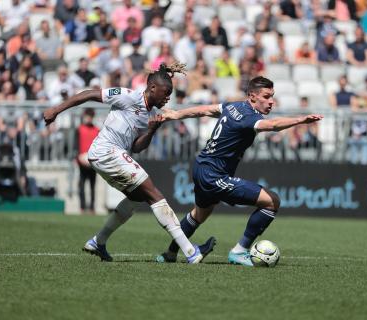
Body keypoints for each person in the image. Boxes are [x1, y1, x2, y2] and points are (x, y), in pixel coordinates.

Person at [42, 62, 215, 263]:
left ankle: (99, 241)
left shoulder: (151, 115)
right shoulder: (128, 96)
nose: (168, 98)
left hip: (112, 155)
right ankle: (190, 252)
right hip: (105, 150)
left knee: (136, 198)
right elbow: (89, 93)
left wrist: (151, 130)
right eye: (166, 92)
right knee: (154, 193)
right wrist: (56, 109)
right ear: (152, 88)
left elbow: (137, 147)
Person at [156, 76, 323, 266]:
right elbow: (274, 125)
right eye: (266, 97)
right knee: (272, 201)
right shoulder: (249, 118)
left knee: (199, 214)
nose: (271, 101)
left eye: (272, 96)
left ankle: (170, 253)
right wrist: (300, 120)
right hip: (214, 176)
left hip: (201, 167)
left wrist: (177, 114)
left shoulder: (232, 106)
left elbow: (205, 109)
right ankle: (239, 251)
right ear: (252, 97)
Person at [76, 108, 99, 214]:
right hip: (82, 161)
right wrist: (78, 157)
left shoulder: (97, 130)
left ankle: (92, 208)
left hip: (93, 162)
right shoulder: (79, 129)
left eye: (90, 117)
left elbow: (99, 147)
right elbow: (75, 145)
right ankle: (82, 207)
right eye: (87, 116)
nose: (88, 119)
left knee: (92, 186)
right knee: (81, 185)